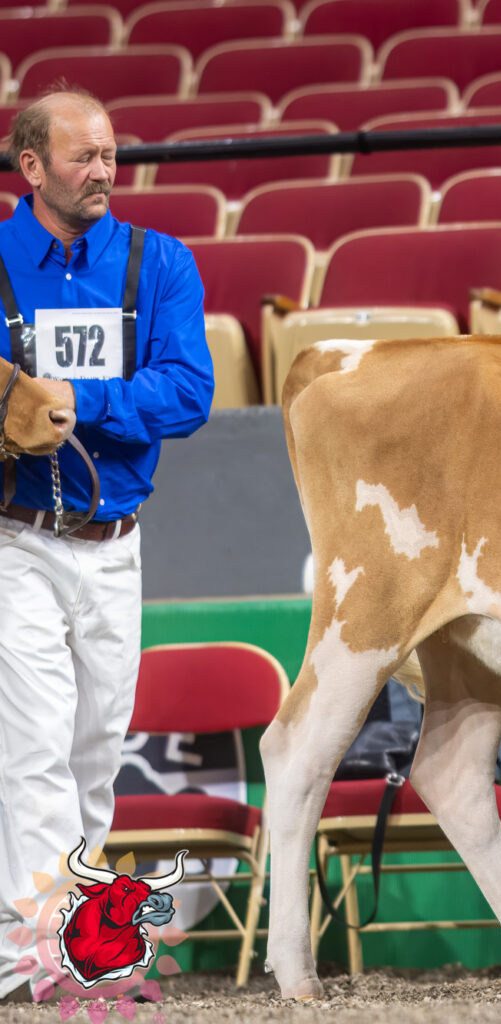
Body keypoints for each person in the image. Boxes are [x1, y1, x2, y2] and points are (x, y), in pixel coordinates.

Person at [0, 89, 213, 1004]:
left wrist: (79, 401)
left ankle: (46, 944)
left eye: (110, 154)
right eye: (82, 157)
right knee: (35, 746)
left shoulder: (160, 262)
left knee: (94, 753)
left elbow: (189, 392)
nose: (103, 171)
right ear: (32, 167)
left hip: (116, 541)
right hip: (14, 539)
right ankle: (47, 959)